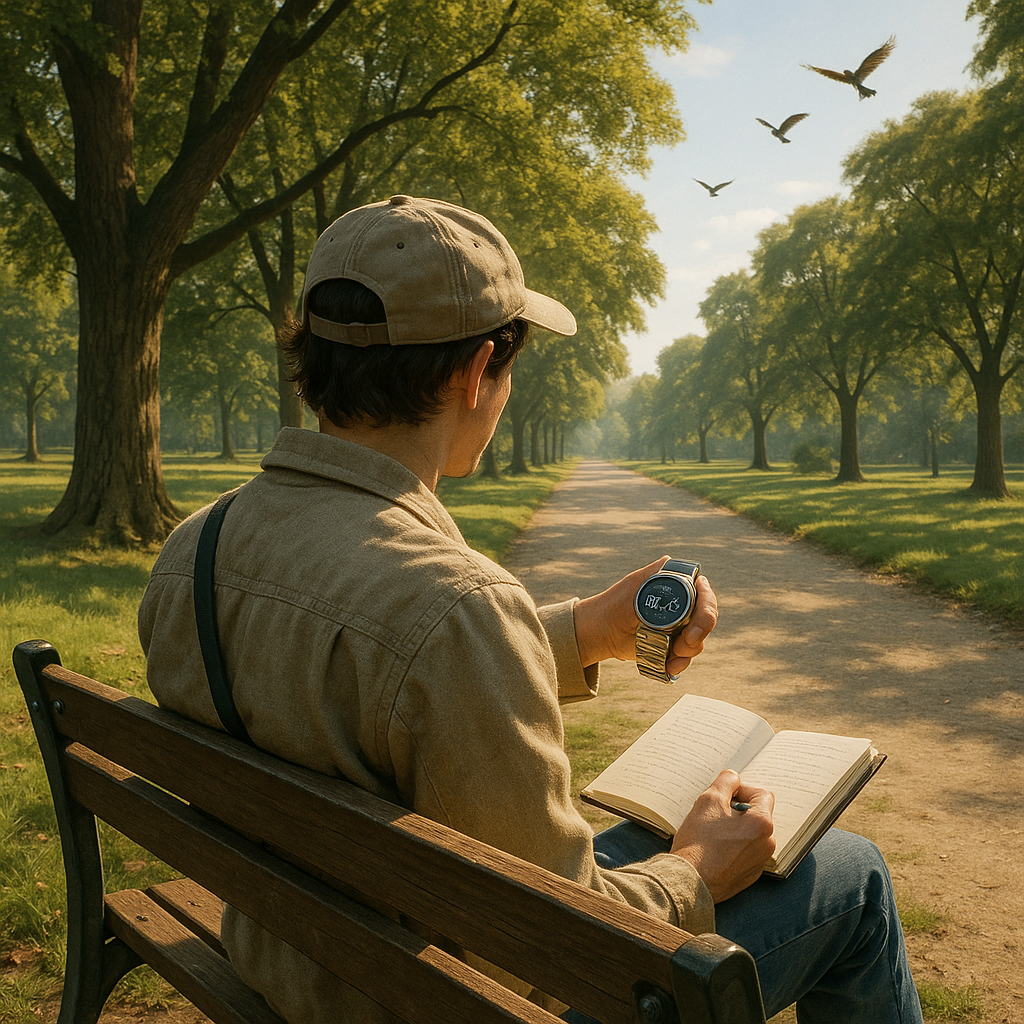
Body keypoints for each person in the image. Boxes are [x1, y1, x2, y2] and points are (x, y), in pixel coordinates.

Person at [138, 194, 922, 1024]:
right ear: (475, 372)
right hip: (438, 994)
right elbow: (549, 951)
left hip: (293, 954)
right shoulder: (457, 606)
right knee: (852, 875)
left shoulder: (197, 547)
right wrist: (695, 869)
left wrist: (583, 630)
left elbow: (352, 673)